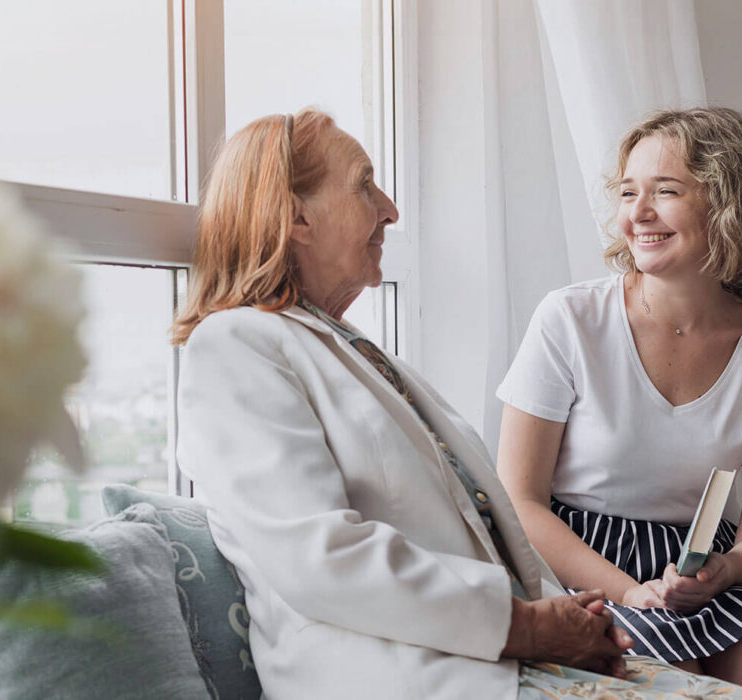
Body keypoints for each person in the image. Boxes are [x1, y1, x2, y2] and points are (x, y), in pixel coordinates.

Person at [172, 107, 742, 699]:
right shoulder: (234, 345)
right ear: (297, 218)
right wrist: (531, 626)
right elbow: (315, 558)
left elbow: (479, 532)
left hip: (501, 663)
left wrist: (567, 620)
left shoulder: (357, 354)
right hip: (405, 678)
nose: (390, 209)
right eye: (364, 186)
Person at [496, 107, 742, 683]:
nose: (638, 213)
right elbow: (519, 501)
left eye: (666, 191)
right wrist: (630, 592)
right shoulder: (570, 318)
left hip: (704, 569)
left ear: (726, 204)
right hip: (581, 564)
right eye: (629, 192)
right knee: (676, 672)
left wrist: (729, 569)